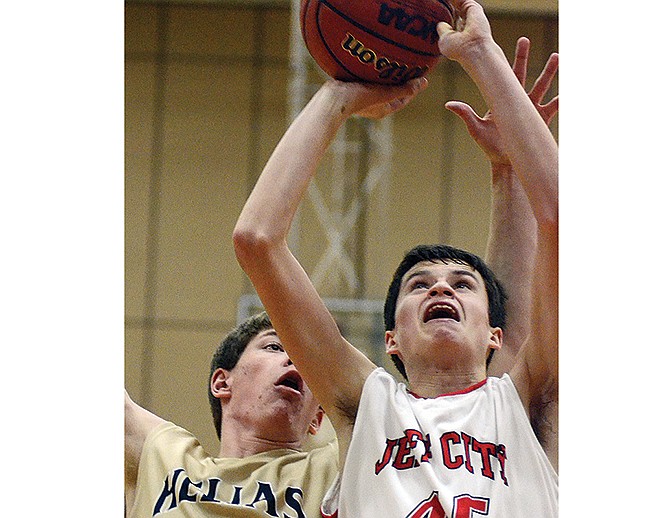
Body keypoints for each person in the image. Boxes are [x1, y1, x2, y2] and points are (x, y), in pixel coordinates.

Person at [232, 0, 558, 515]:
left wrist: (481, 56)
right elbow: (256, 239)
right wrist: (338, 93)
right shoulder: (369, 407)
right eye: (419, 284)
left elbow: (560, 218)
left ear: (495, 334)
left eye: (462, 284)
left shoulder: (530, 404)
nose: (440, 288)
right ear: (391, 342)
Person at [124, 312, 339, 517]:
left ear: (317, 419)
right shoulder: (161, 455)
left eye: (307, 360)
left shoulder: (335, 467)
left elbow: (369, 389)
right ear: (222, 383)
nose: (295, 360)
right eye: (274, 347)